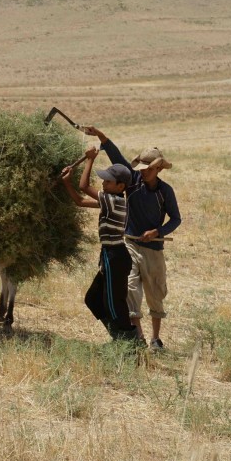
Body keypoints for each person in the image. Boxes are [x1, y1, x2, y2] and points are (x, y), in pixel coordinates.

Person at [84, 126, 181, 350]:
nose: (143, 171)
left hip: (154, 249)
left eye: (148, 169)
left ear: (158, 169)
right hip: (129, 245)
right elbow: (116, 157)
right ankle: (138, 337)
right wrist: (101, 136)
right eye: (142, 168)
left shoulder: (165, 192)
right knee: (130, 291)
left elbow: (176, 219)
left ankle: (156, 339)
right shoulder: (133, 181)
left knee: (155, 293)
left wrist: (157, 232)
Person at [60, 146, 138, 342]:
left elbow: (84, 187)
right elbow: (79, 201)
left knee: (114, 304)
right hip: (109, 255)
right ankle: (118, 338)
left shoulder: (115, 201)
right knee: (93, 299)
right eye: (104, 180)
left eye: (108, 182)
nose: (103, 183)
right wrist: (67, 182)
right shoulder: (110, 201)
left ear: (121, 187)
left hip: (115, 255)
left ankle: (128, 344)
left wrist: (89, 160)